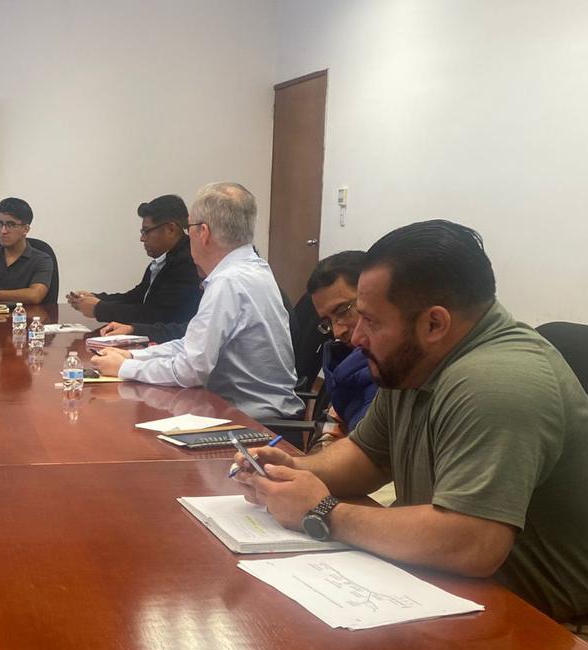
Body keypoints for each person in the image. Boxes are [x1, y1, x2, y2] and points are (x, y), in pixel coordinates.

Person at [236, 220, 588, 623]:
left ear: (434, 323)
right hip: (448, 593)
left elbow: (472, 542)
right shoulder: (414, 360)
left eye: (372, 321)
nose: (355, 337)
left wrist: (323, 511)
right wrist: (295, 471)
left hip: (548, 627)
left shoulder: (498, 382)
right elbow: (369, 455)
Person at [89, 182, 302, 421]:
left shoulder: (228, 282)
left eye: (188, 228)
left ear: (203, 232)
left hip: (252, 423)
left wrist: (124, 369)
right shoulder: (254, 269)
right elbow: (191, 345)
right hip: (251, 412)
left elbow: (191, 371)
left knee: (138, 428)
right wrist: (133, 357)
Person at [66, 194, 202, 343]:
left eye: (146, 231)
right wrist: (97, 298)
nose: (142, 238)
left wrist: (99, 309)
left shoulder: (188, 263)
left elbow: (158, 315)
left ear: (170, 229)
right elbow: (135, 297)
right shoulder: (163, 260)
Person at [306, 250, 377, 440]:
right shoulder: (343, 361)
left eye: (343, 311)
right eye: (328, 322)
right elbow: (329, 428)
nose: (337, 332)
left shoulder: (391, 372)